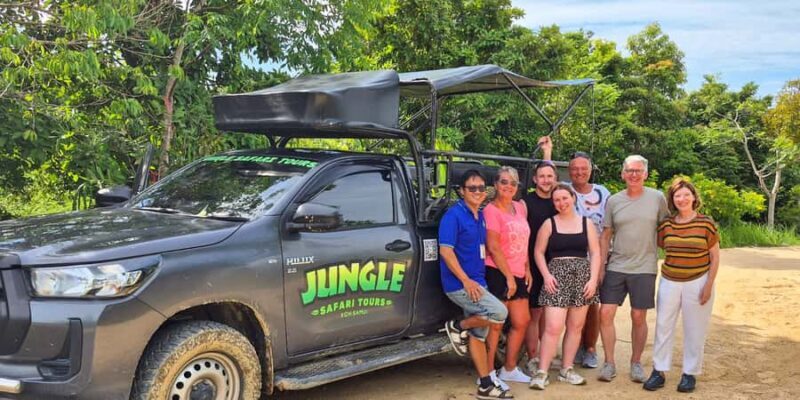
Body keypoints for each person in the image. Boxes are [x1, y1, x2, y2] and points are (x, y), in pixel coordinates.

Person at [440, 170, 513, 399]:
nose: (478, 192)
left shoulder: (479, 215)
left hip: (478, 282)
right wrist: (465, 280)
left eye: (481, 188)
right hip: (461, 285)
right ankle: (458, 326)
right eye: (472, 188)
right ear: (461, 191)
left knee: (478, 335)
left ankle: (485, 385)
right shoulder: (453, 216)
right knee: (499, 313)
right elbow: (446, 251)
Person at [643, 178, 720, 393]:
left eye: (686, 194)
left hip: (698, 280)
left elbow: (715, 257)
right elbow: (658, 246)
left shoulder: (706, 223)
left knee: (695, 329)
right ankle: (659, 371)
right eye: (678, 196)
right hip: (669, 281)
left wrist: (708, 285)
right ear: (672, 200)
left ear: (694, 197)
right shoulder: (666, 225)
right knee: (663, 327)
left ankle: (689, 373)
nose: (682, 199)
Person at [598, 155, 669, 383]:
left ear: (646, 174)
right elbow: (606, 233)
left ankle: (636, 362)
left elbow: (666, 228)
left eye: (638, 171)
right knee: (605, 313)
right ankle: (609, 363)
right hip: (616, 265)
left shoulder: (657, 198)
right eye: (629, 171)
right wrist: (600, 266)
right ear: (623, 173)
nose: (634, 175)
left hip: (644, 267)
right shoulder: (613, 201)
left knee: (638, 316)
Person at [528, 184, 601, 389]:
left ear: (573, 198)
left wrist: (593, 280)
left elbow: (595, 253)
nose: (561, 203)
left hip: (582, 277)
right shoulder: (549, 224)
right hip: (556, 277)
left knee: (576, 327)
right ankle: (542, 371)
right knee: (552, 327)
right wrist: (547, 275)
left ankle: (566, 369)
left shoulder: (586, 224)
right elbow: (538, 252)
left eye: (564, 198)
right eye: (557, 200)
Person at [484, 166, 533, 385]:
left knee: (522, 321)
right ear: (495, 184)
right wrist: (509, 278)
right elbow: (493, 247)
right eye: (504, 182)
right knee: (496, 324)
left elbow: (524, 242)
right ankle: (488, 373)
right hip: (498, 272)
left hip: (519, 271)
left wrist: (527, 269)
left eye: (513, 183)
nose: (509, 186)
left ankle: (509, 368)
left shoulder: (520, 208)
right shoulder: (491, 210)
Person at [568, 151, 611, 369]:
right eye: (575, 168)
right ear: (569, 171)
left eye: (583, 168)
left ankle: (591, 348)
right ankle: (575, 347)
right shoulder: (564, 191)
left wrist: (602, 262)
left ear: (590, 170)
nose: (579, 172)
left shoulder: (603, 193)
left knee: (592, 304)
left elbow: (608, 229)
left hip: (595, 257)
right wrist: (547, 153)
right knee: (573, 305)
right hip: (571, 255)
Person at [523, 156, 557, 372]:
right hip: (533, 265)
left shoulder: (559, 200)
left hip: (555, 264)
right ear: (535, 179)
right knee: (534, 313)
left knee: (550, 312)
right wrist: (526, 267)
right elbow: (522, 236)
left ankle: (546, 354)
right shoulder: (526, 202)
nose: (546, 180)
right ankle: (532, 357)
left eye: (550, 176)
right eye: (542, 176)